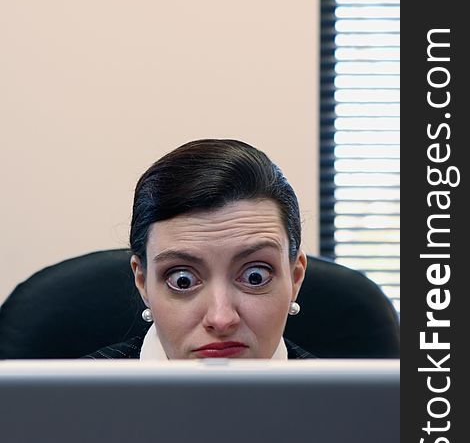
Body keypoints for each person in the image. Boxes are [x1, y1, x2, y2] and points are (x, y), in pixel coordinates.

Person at [85, 139, 314, 360]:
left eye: (255, 277)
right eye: (182, 280)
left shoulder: (345, 399)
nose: (221, 319)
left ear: (295, 278)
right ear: (143, 281)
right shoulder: (67, 398)